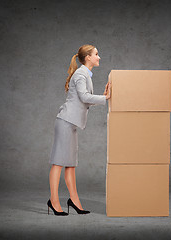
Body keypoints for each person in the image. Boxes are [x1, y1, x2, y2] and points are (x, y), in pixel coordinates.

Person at [47, 44, 111, 216]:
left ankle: (74, 202)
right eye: (97, 54)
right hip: (66, 121)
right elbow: (84, 97)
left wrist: (103, 96)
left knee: (71, 165)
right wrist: (105, 98)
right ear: (88, 57)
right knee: (59, 163)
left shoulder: (86, 75)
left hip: (71, 124)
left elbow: (85, 100)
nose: (99, 57)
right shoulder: (81, 74)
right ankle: (53, 201)